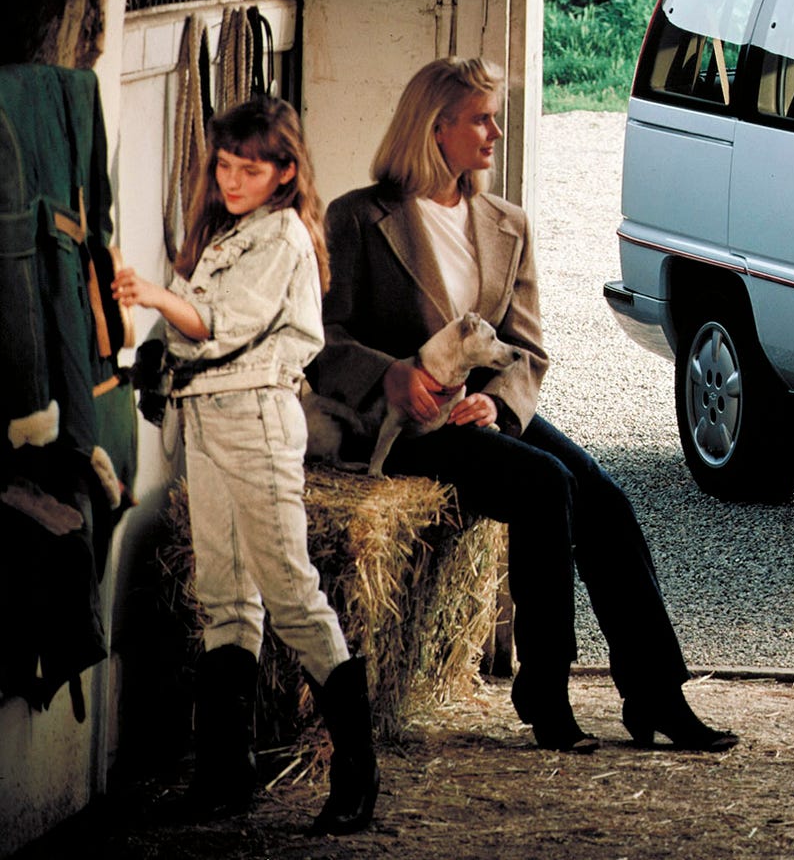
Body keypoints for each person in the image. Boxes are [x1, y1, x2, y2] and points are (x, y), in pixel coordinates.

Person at [307, 56, 737, 755]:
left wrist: (496, 407)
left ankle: (656, 694)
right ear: (435, 126)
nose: (496, 131)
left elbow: (526, 348)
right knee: (547, 483)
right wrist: (390, 376)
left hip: (480, 414)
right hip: (404, 423)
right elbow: (323, 339)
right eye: (481, 117)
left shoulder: (506, 222)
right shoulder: (359, 218)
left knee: (610, 503)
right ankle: (547, 689)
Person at [113, 97, 377, 834]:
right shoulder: (235, 233)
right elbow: (195, 333)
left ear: (284, 173)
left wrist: (154, 294)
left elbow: (219, 323)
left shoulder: (283, 236)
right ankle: (225, 771)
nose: (231, 178)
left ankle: (358, 774)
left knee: (289, 588)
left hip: (256, 416)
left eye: (249, 167)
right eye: (224, 165)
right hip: (209, 413)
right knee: (223, 591)